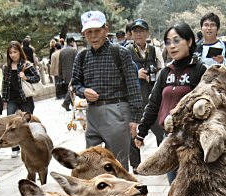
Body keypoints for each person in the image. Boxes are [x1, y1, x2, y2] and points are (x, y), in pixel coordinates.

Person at [134, 22, 207, 184]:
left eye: (176, 40)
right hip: (170, 140)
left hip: (193, 141)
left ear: (189, 42)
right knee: (174, 186)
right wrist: (142, 132)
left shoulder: (199, 70)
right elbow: (153, 104)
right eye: (168, 42)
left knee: (192, 187)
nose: (171, 46)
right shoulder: (165, 73)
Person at [71, 10, 143, 171]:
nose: (93, 35)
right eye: (89, 32)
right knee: (91, 162)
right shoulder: (82, 56)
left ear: (106, 30)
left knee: (118, 163)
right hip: (93, 113)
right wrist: (84, 91)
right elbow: (74, 84)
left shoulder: (120, 53)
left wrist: (135, 119)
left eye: (97, 31)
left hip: (117, 111)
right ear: (84, 34)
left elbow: (133, 87)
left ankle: (123, 195)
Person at [127, 18, 165, 173]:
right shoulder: (125, 51)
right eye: (135, 31)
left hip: (152, 97)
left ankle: (161, 163)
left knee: (160, 131)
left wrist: (154, 74)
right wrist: (136, 74)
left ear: (147, 33)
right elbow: (121, 74)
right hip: (134, 98)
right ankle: (136, 166)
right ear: (131, 34)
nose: (138, 34)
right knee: (133, 133)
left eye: (141, 31)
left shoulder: (155, 50)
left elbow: (163, 69)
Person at [1, 40, 40, 158]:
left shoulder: (26, 64)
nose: (13, 55)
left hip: (25, 99)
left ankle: (29, 146)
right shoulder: (6, 67)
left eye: (15, 52)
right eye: (10, 53)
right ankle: (14, 146)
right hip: (12, 99)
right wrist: (4, 99)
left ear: (20, 52)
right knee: (11, 122)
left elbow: (37, 78)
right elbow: (4, 84)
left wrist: (26, 77)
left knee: (26, 123)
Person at [59, 36, 78, 111]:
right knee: (72, 88)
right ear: (72, 42)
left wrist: (60, 74)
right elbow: (77, 63)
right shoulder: (74, 50)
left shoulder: (62, 51)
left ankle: (70, 104)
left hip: (64, 73)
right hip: (73, 72)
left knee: (69, 88)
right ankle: (66, 103)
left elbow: (59, 64)